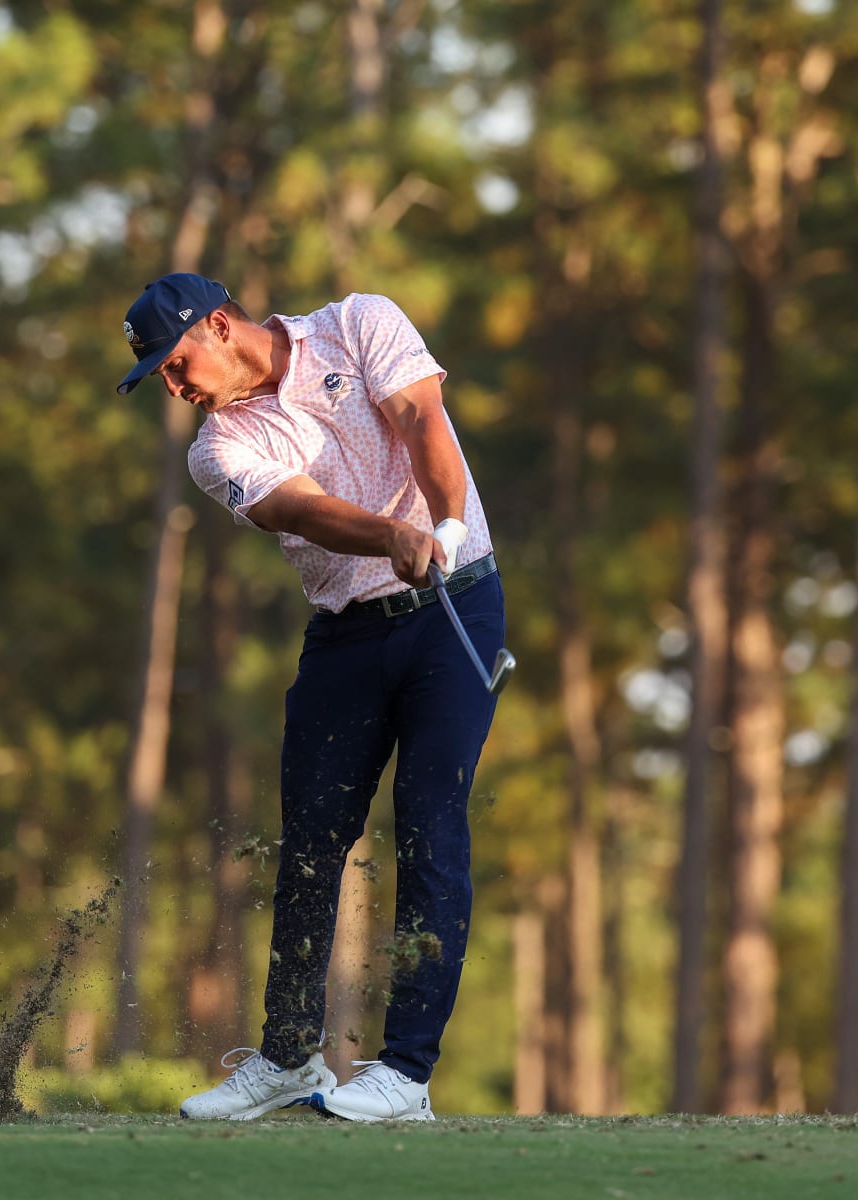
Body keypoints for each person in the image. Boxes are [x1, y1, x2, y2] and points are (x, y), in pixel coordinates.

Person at [115, 273, 506, 1122]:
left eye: (175, 364)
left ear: (220, 326)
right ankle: (291, 1058)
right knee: (311, 844)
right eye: (159, 378)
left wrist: (438, 529)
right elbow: (304, 509)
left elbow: (420, 418)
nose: (173, 387)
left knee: (431, 822)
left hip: (455, 605)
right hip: (346, 635)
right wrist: (389, 535)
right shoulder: (215, 449)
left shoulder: (359, 323)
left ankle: (404, 1074)